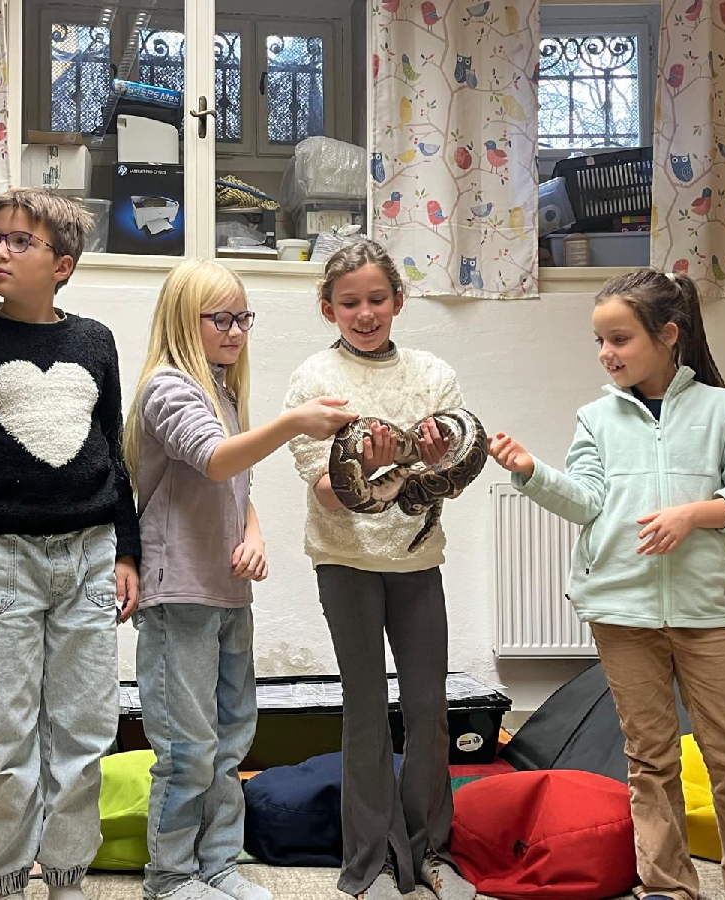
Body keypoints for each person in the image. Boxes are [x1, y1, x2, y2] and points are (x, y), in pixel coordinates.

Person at [489, 269, 725, 900]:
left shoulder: (721, 409)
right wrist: (532, 472)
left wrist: (694, 514)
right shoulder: (595, 418)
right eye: (599, 341)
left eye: (619, 339)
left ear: (667, 335)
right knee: (650, 756)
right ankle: (667, 886)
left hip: (702, 612)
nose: (606, 353)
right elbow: (587, 501)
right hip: (620, 610)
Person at [0, 188, 139, 900]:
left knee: (84, 730)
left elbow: (114, 451)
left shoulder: (95, 341)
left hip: (90, 556)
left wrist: (127, 551)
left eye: (20, 241)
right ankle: (4, 879)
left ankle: (67, 873)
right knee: (4, 737)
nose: (0, 252)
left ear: (62, 265)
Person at [127, 258, 355, 900]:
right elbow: (215, 459)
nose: (235, 331)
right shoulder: (168, 389)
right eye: (221, 319)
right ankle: (170, 876)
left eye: (242, 318)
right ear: (184, 320)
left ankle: (218, 863)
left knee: (230, 741)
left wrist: (252, 535)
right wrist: (293, 422)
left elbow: (238, 488)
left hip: (227, 594)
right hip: (179, 594)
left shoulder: (224, 393)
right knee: (188, 748)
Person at [283, 239, 476, 900]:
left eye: (375, 299)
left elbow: (450, 476)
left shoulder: (433, 374)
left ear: (398, 300)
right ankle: (371, 862)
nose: (364, 313)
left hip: (417, 560)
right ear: (328, 308)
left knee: (428, 707)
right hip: (345, 561)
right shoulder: (313, 380)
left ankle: (431, 852)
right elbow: (325, 492)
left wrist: (434, 459)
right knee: (365, 709)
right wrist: (366, 466)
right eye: (349, 303)